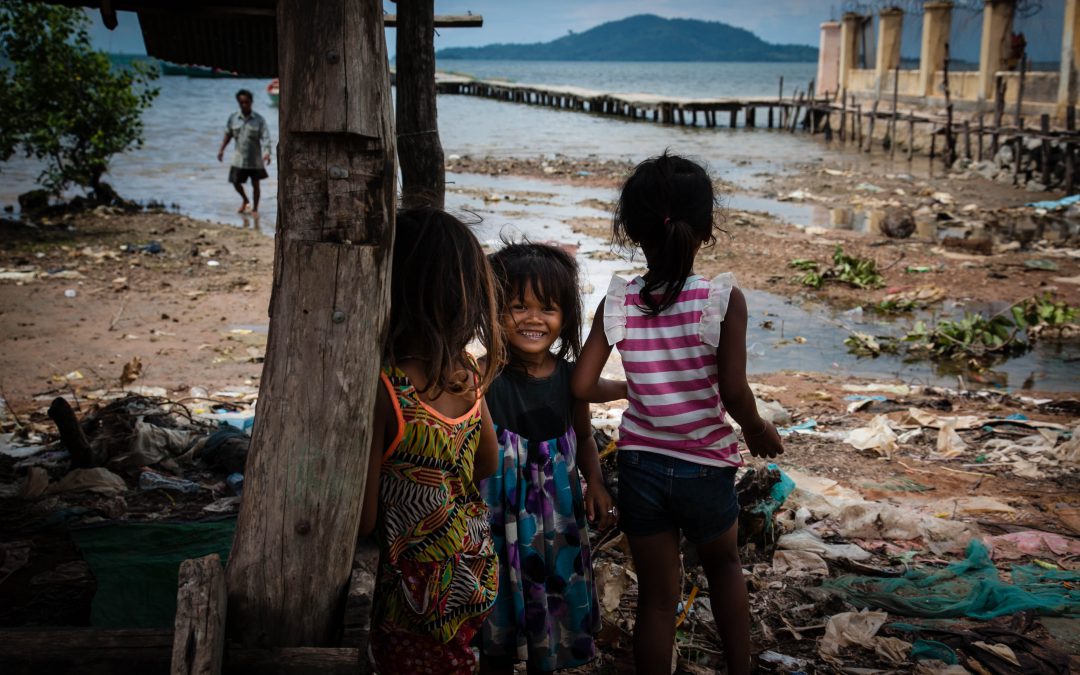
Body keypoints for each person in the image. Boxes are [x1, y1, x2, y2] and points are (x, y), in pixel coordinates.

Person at [571, 153, 784, 675]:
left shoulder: (617, 301)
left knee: (657, 600)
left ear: (633, 229)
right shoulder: (719, 298)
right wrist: (757, 429)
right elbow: (733, 390)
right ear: (706, 228)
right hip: (704, 466)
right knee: (725, 568)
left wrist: (632, 386)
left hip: (641, 466)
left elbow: (578, 384)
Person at [358, 207, 506, 675]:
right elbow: (488, 462)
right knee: (455, 660)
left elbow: (362, 519)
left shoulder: (388, 389)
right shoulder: (466, 372)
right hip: (470, 559)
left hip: (414, 582)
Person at [478, 242, 622, 675]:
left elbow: (581, 435)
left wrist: (595, 482)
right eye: (518, 306)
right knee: (496, 600)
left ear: (566, 318)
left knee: (553, 603)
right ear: (493, 310)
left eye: (548, 308)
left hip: (556, 516)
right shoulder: (482, 377)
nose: (534, 319)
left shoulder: (569, 379)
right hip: (497, 515)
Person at [217, 88, 271, 214]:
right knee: (235, 182)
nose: (244, 105)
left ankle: (255, 209)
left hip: (255, 159)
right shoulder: (233, 118)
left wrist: (267, 153)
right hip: (239, 158)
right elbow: (228, 135)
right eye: (241, 103)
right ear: (238, 103)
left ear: (251, 102)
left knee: (255, 184)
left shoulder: (259, 120)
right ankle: (245, 200)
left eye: (246, 102)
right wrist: (221, 150)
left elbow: (266, 137)